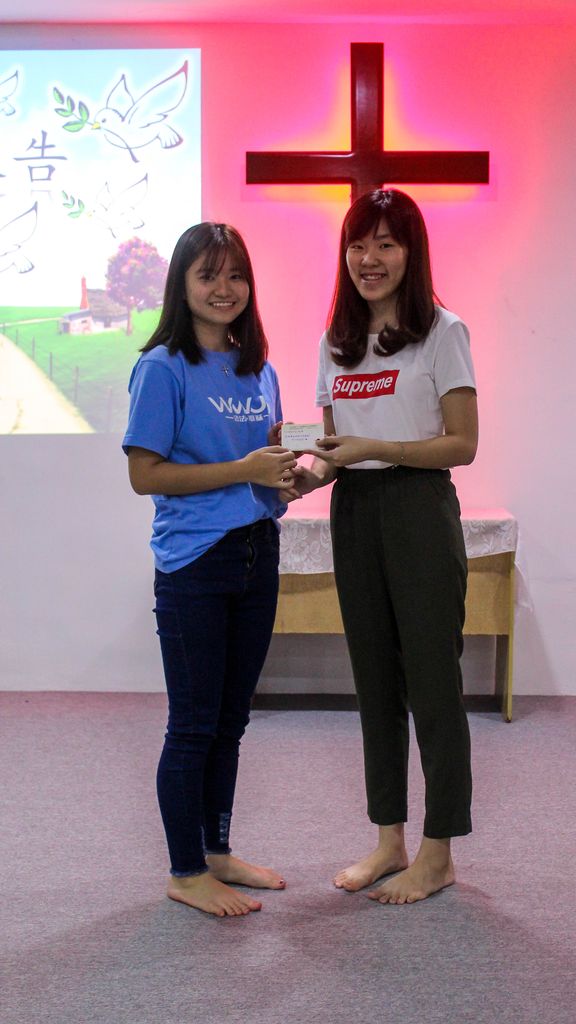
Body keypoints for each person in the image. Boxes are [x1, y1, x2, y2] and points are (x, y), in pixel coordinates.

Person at [289, 188, 478, 905]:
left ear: (411, 252)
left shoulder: (443, 332)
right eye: (358, 244)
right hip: (355, 512)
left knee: (433, 683)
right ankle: (388, 840)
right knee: (374, 681)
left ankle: (439, 851)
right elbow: (332, 449)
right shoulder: (334, 342)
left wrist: (377, 448)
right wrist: (299, 478)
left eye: (386, 244)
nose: (369, 259)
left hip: (419, 506)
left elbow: (462, 443)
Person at [123, 222, 297, 917]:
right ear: (182, 285)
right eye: (208, 275)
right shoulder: (163, 366)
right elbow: (145, 474)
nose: (224, 289)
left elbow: (265, 471)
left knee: (231, 720)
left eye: (236, 275)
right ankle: (185, 870)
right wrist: (244, 469)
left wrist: (292, 476)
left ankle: (217, 851)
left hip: (258, 552)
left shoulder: (261, 369)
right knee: (193, 724)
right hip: (195, 561)